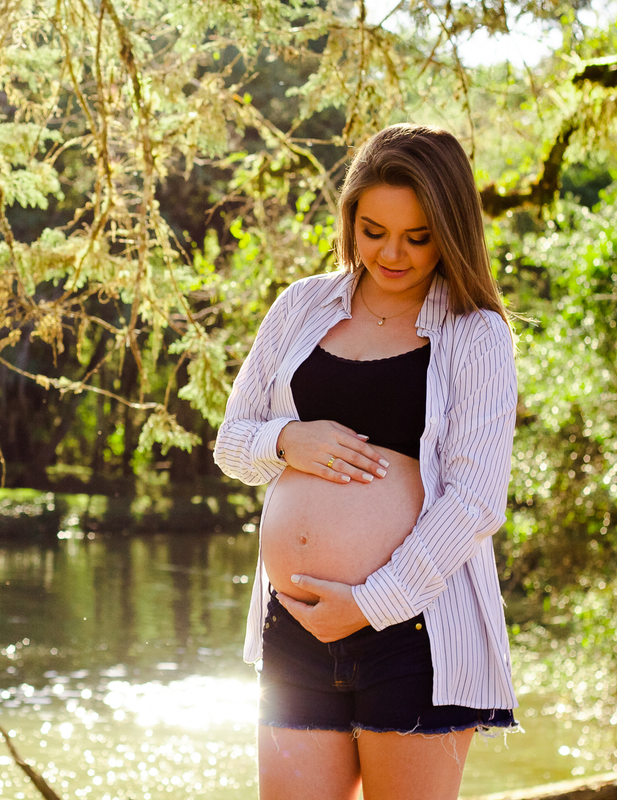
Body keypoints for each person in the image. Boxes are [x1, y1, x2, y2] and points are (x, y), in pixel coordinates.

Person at [213, 123, 520, 800]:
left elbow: (474, 501)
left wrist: (371, 603)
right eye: (373, 230)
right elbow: (232, 443)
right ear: (349, 218)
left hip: (415, 633)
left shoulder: (476, 335)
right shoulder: (300, 307)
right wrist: (287, 439)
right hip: (295, 627)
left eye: (418, 236)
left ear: (451, 232)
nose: (392, 253)